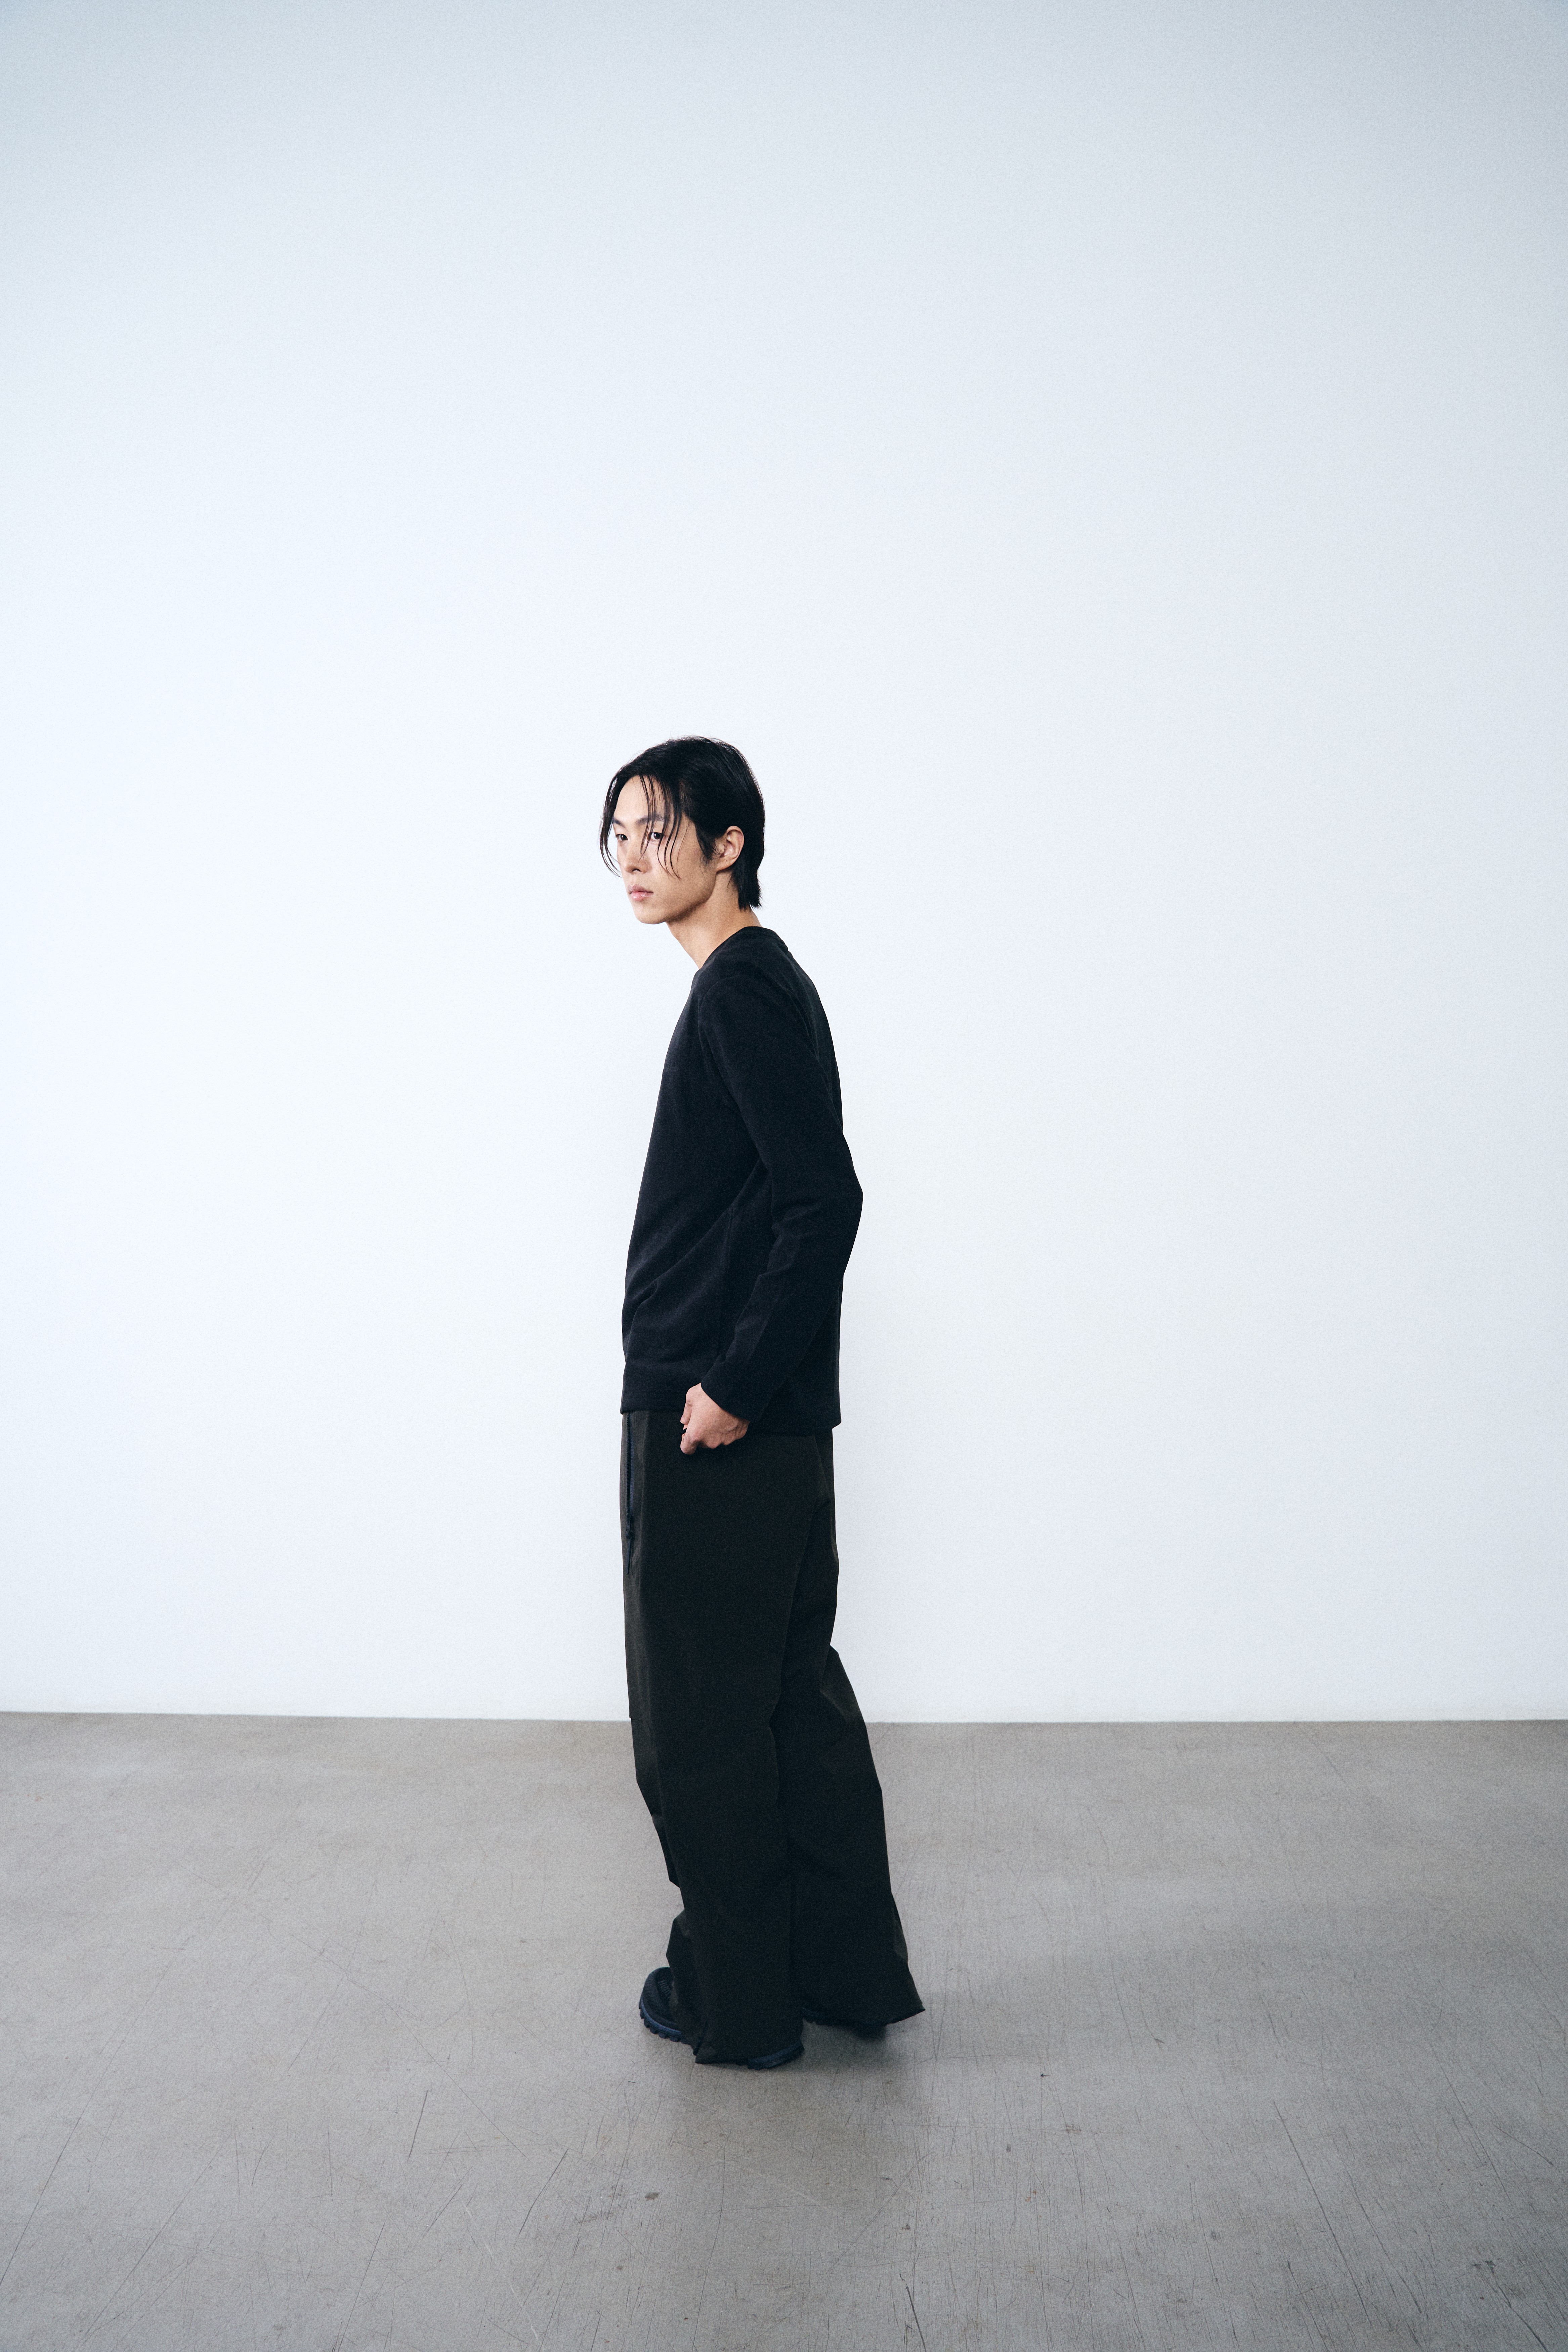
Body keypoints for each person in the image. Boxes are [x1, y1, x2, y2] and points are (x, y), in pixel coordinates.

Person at [602, 737, 924, 2069]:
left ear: (728, 843)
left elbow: (822, 1199)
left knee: (700, 1728)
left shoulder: (740, 989)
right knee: (788, 1704)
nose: (635, 856)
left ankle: (737, 2005)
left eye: (662, 829)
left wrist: (728, 1383)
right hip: (760, 1412)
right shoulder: (759, 985)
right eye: (620, 833)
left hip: (716, 1414)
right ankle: (842, 1979)